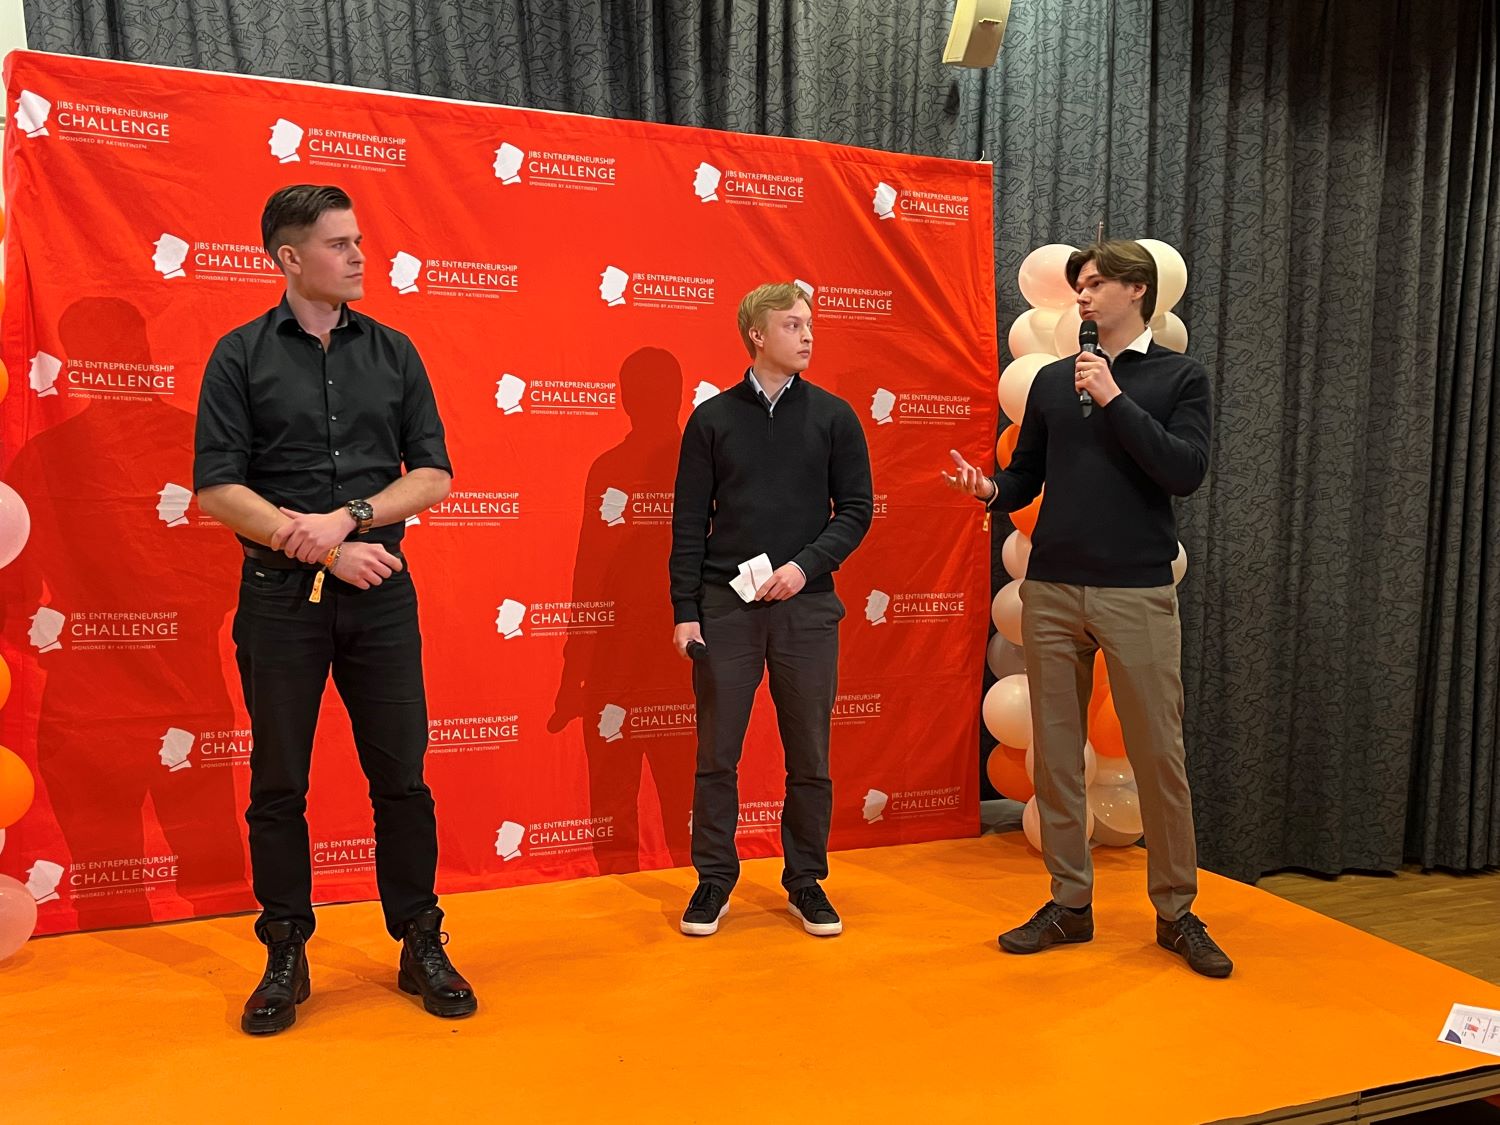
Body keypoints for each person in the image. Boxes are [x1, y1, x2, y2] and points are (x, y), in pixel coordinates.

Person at [194, 184, 478, 1034]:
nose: (358, 256)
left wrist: (350, 517)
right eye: (338, 243)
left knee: (403, 777)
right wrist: (320, 547)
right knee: (279, 781)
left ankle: (420, 939)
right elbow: (217, 489)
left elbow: (433, 474)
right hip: (279, 600)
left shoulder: (394, 352)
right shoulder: (239, 355)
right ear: (289, 257)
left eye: (358, 240)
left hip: (380, 594)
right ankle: (285, 948)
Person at [944, 239, 1231, 978]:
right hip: (1051, 588)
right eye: (1078, 284)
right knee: (1057, 754)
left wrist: (1113, 397)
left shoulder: (1178, 377)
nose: (1082, 295)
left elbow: (1184, 471)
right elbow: (1026, 476)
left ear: (1138, 291)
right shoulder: (1050, 382)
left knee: (1158, 754)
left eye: (1097, 283)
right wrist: (990, 491)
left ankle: (1176, 911)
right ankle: (1070, 902)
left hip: (1136, 588)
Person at [670, 281, 873, 938]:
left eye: (809, 324)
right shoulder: (711, 420)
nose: (807, 335)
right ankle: (713, 878)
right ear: (756, 334)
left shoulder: (835, 416)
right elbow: (687, 522)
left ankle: (806, 880)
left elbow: (857, 510)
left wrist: (805, 566)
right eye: (791, 324)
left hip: (807, 608)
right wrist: (685, 609)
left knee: (810, 756)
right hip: (725, 607)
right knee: (716, 754)